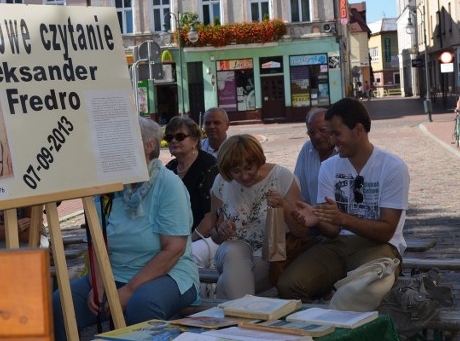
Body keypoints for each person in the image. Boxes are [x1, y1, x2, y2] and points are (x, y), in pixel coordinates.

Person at [52, 116, 198, 339]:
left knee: (142, 303)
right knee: (60, 302)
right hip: (115, 273)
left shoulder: (168, 185)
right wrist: (99, 282)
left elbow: (174, 250)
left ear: (148, 146)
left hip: (168, 275)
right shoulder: (110, 186)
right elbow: (96, 241)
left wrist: (128, 290)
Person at [276, 98, 409, 302]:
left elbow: (386, 231)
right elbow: (332, 230)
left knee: (358, 291)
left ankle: (341, 307)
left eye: (337, 133)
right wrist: (317, 219)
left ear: (358, 129)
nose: (332, 140)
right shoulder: (329, 167)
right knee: (288, 286)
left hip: (381, 247)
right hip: (338, 244)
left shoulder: (392, 167)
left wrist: (343, 219)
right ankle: (319, 325)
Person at [209, 134, 308, 299]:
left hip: (270, 257)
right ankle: (247, 309)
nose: (245, 176)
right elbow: (214, 234)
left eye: (249, 167)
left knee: (224, 284)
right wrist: (221, 232)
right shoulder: (221, 182)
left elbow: (302, 231)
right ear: (227, 170)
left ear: (259, 160)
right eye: (236, 171)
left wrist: (283, 206)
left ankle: (238, 311)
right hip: (229, 254)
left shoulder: (281, 177)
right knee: (235, 249)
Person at [164, 116, 219, 268]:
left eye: (180, 136)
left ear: (195, 141)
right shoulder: (169, 169)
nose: (173, 141)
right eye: (169, 137)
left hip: (207, 237)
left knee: (186, 258)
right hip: (176, 236)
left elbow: (210, 217)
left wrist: (187, 241)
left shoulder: (209, 167)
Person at [294, 107, 337, 206]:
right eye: (312, 133)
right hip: (313, 216)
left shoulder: (342, 152)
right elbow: (298, 187)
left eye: (322, 130)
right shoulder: (307, 149)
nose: (317, 136)